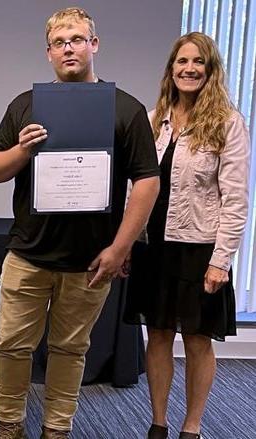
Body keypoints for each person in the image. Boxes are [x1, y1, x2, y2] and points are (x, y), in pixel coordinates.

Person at [0, 7, 160, 439]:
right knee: (10, 347)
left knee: (70, 350)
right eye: (60, 42)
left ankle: (56, 429)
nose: (69, 48)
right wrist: (23, 152)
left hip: (91, 260)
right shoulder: (27, 104)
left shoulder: (126, 108)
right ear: (49, 53)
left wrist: (120, 248)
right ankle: (9, 427)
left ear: (93, 45)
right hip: (29, 253)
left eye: (77, 39)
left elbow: (147, 182)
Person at [124, 32, 250, 439]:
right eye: (182, 61)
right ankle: (158, 423)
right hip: (153, 246)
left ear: (210, 70)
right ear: (171, 68)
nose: (189, 68)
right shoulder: (153, 119)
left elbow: (235, 198)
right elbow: (137, 188)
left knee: (197, 340)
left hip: (199, 249)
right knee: (157, 334)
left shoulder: (228, 124)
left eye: (198, 62)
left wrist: (221, 260)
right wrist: (127, 241)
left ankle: (191, 426)